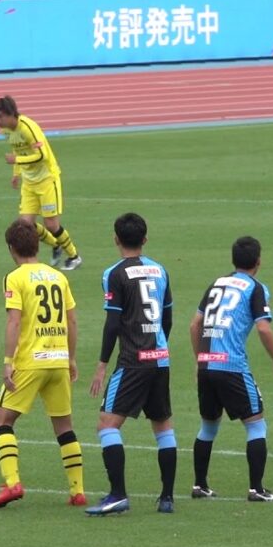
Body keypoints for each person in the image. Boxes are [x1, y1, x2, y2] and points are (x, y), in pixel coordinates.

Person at [0, 220, 86, 509]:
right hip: (58, 360)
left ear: (11, 248)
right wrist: (70, 358)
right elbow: (71, 320)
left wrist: (8, 362)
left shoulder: (15, 277)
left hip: (30, 362)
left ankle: (12, 483)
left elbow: (14, 320)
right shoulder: (58, 276)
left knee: (2, 420)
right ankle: (77, 490)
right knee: (64, 426)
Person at [86, 213, 177, 516]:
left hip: (132, 361)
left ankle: (117, 494)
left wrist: (101, 364)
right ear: (145, 239)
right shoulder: (161, 270)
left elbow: (112, 324)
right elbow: (167, 317)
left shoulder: (114, 274)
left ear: (116, 239)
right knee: (163, 426)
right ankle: (166, 498)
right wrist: (157, 344)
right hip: (160, 359)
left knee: (106, 424)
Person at [189, 236, 273, 501]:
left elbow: (194, 325)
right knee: (256, 425)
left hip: (206, 365)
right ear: (258, 261)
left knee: (208, 426)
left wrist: (200, 359)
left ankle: (199, 485)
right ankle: (256, 489)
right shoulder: (255, 288)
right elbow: (264, 327)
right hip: (232, 366)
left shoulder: (216, 284)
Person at [0, 95, 82, 272]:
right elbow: (17, 149)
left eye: (0, 116)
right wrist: (16, 172)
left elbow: (42, 155)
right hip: (29, 182)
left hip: (47, 179)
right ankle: (56, 244)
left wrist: (16, 160)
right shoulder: (7, 131)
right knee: (25, 225)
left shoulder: (28, 128)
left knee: (51, 224)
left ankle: (74, 256)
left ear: (11, 114)